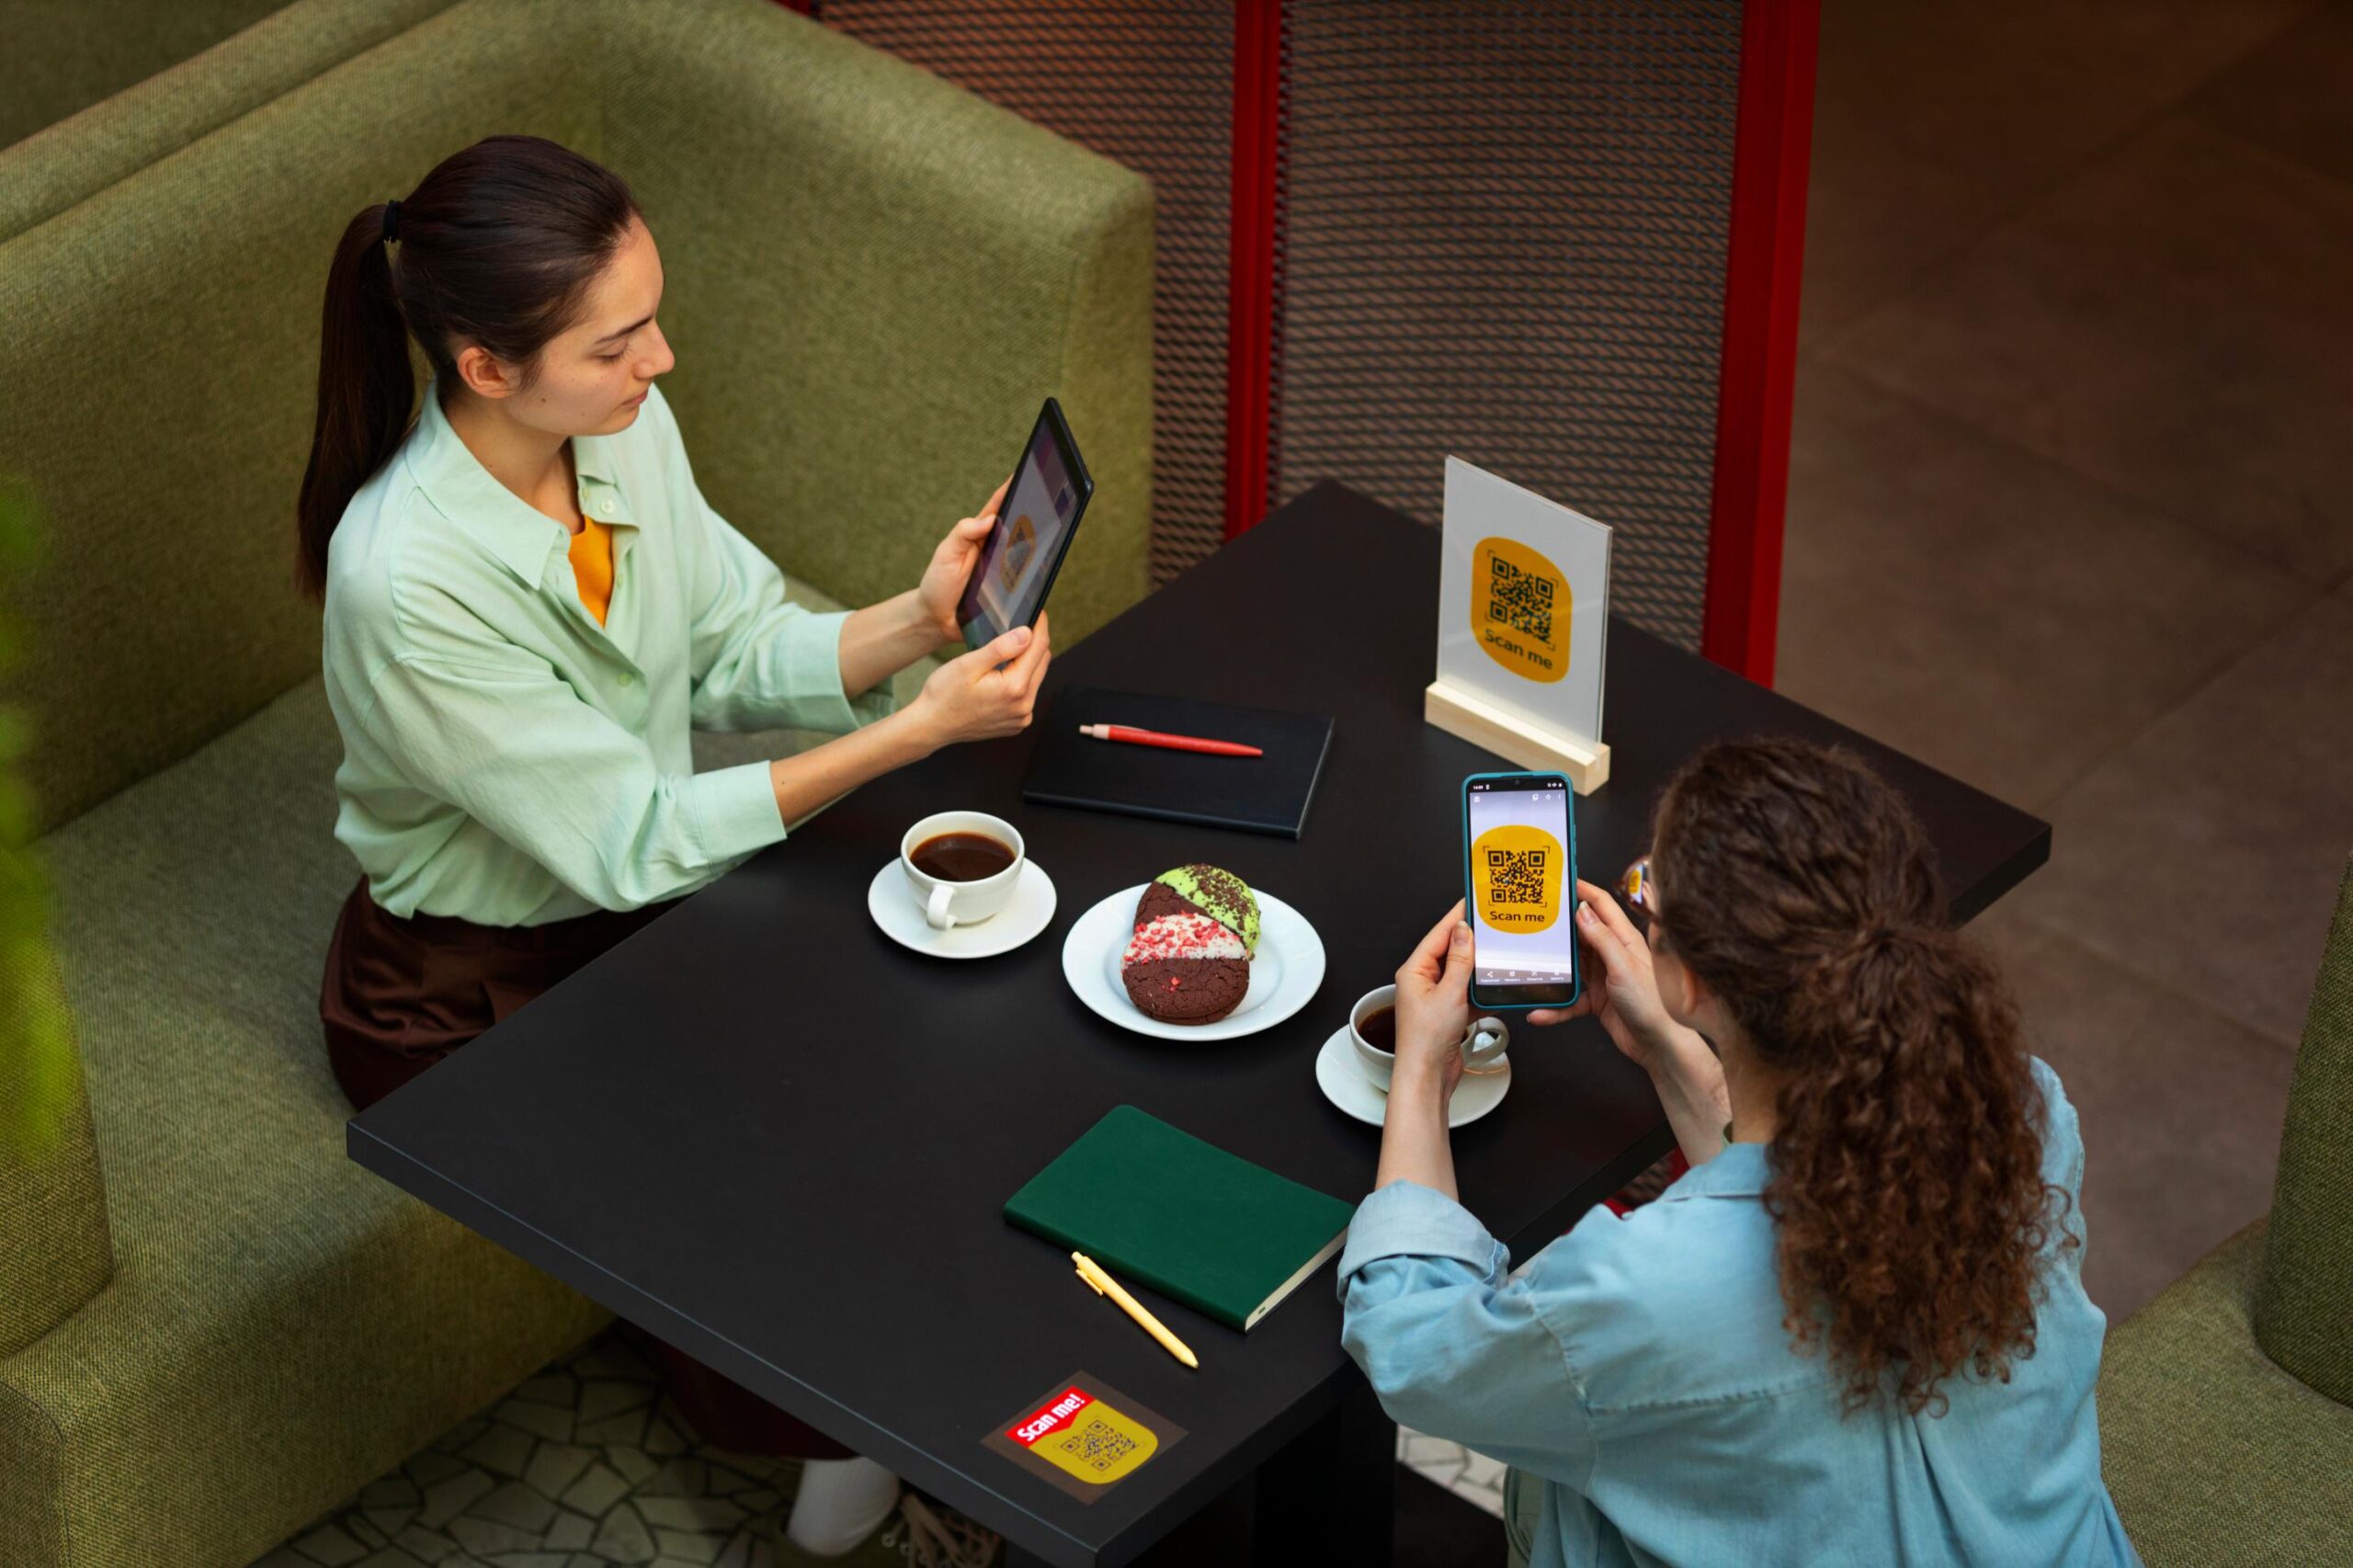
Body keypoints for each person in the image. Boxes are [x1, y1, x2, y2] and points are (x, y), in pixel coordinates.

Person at [297, 134, 1024, 1567]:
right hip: (464, 989)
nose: (663, 360)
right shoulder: (402, 578)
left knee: (926, 1037)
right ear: (486, 365)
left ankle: (917, 1401)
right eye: (620, 338)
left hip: (639, 909)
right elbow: (630, 837)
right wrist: (912, 734)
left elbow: (727, 646)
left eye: (653, 317)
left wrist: (917, 625)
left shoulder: (617, 431)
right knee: (735, 1166)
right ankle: (841, 1452)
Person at [1341, 737, 2141, 1567]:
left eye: (1652, 889)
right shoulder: (2023, 1111)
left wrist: (1425, 1067)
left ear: (1685, 979)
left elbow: (1412, 1349)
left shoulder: (1639, 1288)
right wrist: (1673, 1053)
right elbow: (1800, 1198)